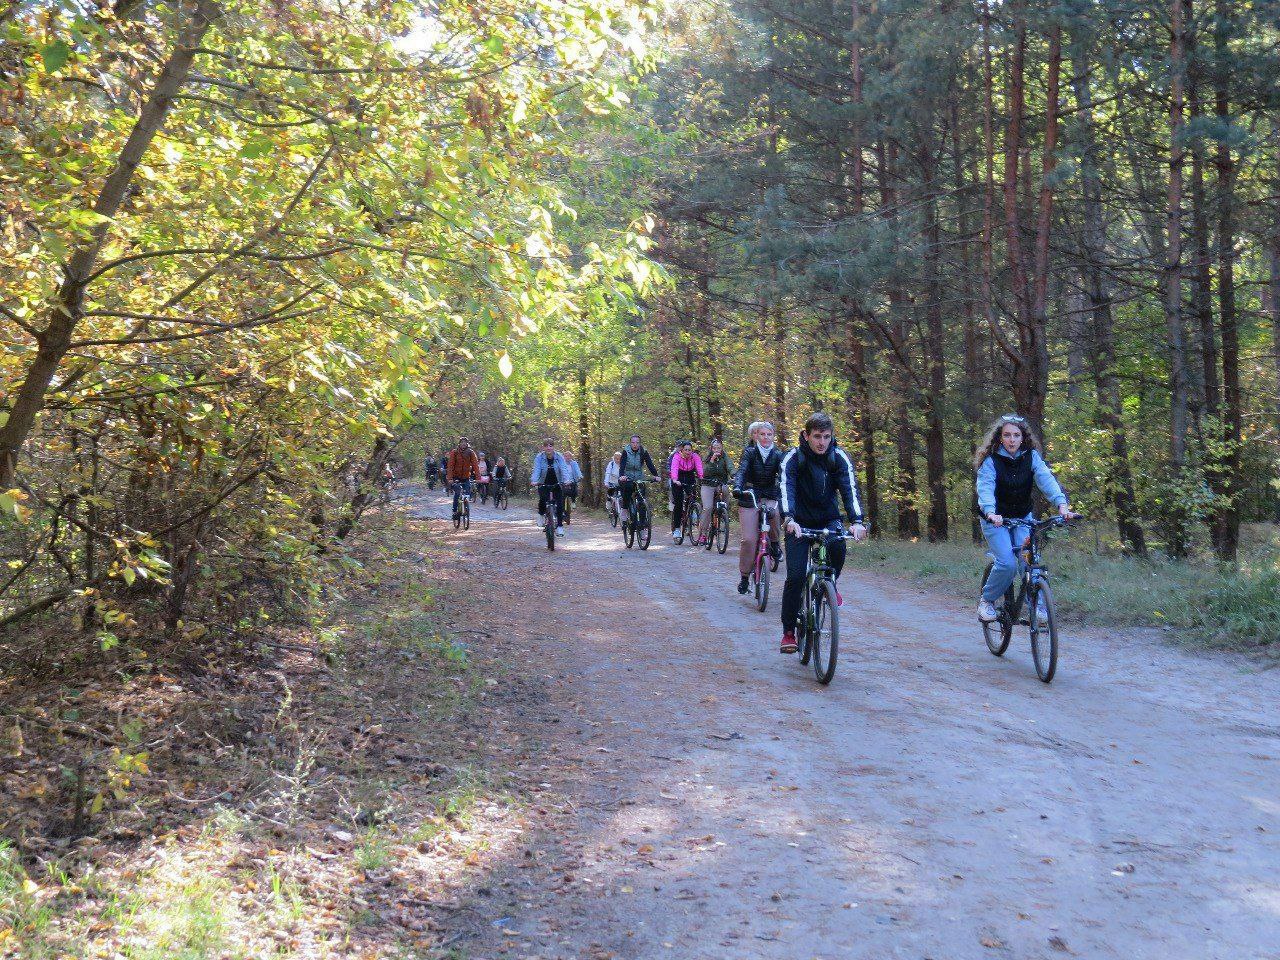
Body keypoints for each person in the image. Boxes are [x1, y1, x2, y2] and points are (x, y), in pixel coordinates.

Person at [778, 412, 868, 654]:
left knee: (838, 546)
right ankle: (788, 632)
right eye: (817, 436)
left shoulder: (838, 458)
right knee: (796, 576)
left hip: (828, 518)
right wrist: (789, 518)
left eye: (826, 437)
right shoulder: (793, 459)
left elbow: (850, 489)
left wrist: (857, 521)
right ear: (806, 436)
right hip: (797, 522)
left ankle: (830, 584)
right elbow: (786, 488)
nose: (822, 442)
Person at [975, 414, 1076, 622]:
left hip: (1022, 518)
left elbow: (1046, 480)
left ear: (1023, 438)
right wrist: (990, 512)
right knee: (1007, 564)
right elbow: (985, 489)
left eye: (1016, 435)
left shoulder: (1031, 457)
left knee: (1029, 561)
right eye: (1007, 435)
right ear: (1000, 438)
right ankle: (987, 600)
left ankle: (1038, 605)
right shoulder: (991, 461)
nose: (1012, 440)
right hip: (995, 520)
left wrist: (1062, 506)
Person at [732, 420, 784, 594]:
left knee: (775, 513)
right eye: (762, 434)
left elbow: (784, 475)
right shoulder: (749, 452)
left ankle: (775, 545)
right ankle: (745, 577)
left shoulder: (778, 454)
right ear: (756, 436)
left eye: (769, 434)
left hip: (769, 494)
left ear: (773, 436)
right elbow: (742, 471)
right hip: (750, 495)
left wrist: (786, 491)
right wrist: (738, 487)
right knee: (749, 539)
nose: (766, 437)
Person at [697, 438, 734, 545]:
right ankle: (703, 534)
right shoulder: (707, 458)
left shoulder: (725, 457)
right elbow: (704, 472)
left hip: (720, 484)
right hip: (707, 484)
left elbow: (730, 467)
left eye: (719, 448)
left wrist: (734, 475)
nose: (717, 450)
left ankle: (724, 512)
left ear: (722, 448)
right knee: (708, 508)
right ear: (711, 449)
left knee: (726, 489)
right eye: (715, 448)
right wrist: (712, 460)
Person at [530, 438, 570, 536]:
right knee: (543, 500)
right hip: (543, 482)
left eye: (550, 446)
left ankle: (560, 527)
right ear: (543, 447)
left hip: (557, 482)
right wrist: (534, 480)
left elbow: (563, 468)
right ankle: (541, 514)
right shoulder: (539, 457)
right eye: (546, 446)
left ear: (553, 447)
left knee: (560, 505)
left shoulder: (559, 456)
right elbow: (537, 469)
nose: (548, 448)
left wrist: (566, 480)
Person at [618, 435, 658, 527]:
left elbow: (649, 464)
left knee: (642, 502)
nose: (635, 444)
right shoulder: (626, 451)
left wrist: (656, 476)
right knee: (627, 488)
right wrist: (621, 476)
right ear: (630, 443)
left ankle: (642, 527)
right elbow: (622, 465)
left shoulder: (643, 451)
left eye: (637, 442)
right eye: (633, 442)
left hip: (639, 477)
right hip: (627, 477)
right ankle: (624, 509)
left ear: (640, 443)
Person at [669, 440, 704, 540]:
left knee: (692, 498)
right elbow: (674, 468)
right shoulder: (677, 456)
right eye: (686, 450)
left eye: (689, 450)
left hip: (689, 478)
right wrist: (675, 480)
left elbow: (699, 467)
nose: (688, 452)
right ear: (682, 450)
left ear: (692, 450)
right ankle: (676, 529)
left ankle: (691, 514)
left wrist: (701, 477)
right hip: (678, 479)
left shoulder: (695, 457)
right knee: (679, 504)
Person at [446, 438, 479, 519]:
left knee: (467, 492)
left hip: (466, 477)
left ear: (467, 444)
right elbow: (450, 465)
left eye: (465, 442)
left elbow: (475, 465)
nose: (463, 444)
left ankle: (466, 507)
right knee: (457, 492)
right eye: (462, 442)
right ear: (459, 444)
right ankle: (454, 511)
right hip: (455, 477)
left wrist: (478, 477)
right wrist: (450, 478)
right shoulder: (455, 452)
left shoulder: (470, 452)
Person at [563, 452, 584, 522]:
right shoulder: (561, 463)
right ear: (564, 457)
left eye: (569, 456)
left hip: (572, 480)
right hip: (563, 481)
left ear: (571, 457)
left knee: (574, 490)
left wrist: (580, 476)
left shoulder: (574, 463)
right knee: (562, 495)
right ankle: (563, 511)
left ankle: (573, 501)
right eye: (566, 456)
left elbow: (577, 470)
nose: (567, 457)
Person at [603, 451, 622, 516]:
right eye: (616, 458)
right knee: (610, 491)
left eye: (619, 458)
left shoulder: (623, 464)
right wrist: (606, 482)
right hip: (612, 481)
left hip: (620, 482)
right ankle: (608, 501)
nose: (618, 460)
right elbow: (608, 473)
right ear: (614, 458)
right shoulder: (611, 464)